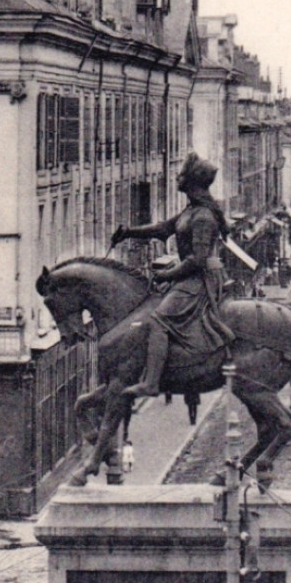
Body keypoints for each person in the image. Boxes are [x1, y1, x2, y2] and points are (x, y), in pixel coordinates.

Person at [110, 153, 234, 399]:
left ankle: (151, 383)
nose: (178, 178)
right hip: (188, 278)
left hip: (200, 280)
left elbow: (197, 260)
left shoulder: (203, 217)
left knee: (159, 320)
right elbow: (162, 229)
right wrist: (128, 232)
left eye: (182, 175)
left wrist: (167, 275)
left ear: (192, 183)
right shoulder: (192, 211)